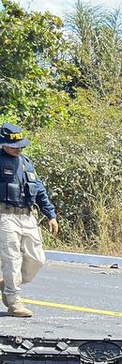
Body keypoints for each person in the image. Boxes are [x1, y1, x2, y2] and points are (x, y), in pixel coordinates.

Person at [0, 122, 58, 317]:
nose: (18, 150)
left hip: (28, 216)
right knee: (12, 259)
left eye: (21, 146)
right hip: (5, 216)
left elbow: (39, 189)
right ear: (3, 144)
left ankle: (7, 283)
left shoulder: (26, 162)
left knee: (37, 259)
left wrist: (50, 214)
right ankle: (14, 301)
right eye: (14, 146)